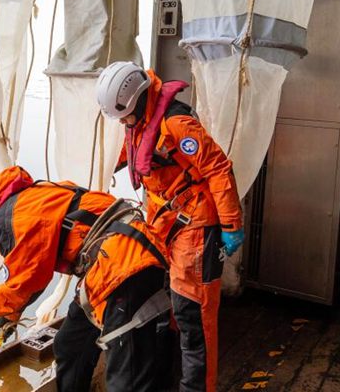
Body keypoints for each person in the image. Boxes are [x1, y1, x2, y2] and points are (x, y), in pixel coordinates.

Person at [0, 166, 170, 392]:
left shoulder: (13, 218)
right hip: (113, 262)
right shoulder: (25, 199)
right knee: (70, 345)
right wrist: (11, 314)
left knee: (126, 380)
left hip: (124, 267)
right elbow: (33, 271)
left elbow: (21, 287)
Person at [96, 61, 245, 392]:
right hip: (168, 224)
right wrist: (102, 167)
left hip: (196, 227)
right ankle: (171, 372)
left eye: (123, 116)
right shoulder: (141, 121)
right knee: (175, 309)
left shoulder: (177, 124)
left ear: (134, 101)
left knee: (194, 316)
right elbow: (131, 153)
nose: (122, 122)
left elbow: (218, 169)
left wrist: (231, 224)